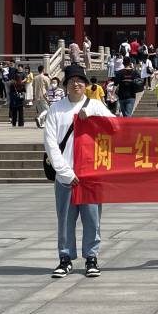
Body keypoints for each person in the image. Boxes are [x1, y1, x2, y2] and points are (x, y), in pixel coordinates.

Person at [45, 64, 114, 278]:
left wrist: (93, 116)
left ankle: (91, 258)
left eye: (80, 81)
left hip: (91, 175)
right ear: (66, 85)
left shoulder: (96, 105)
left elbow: (115, 126)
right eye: (72, 81)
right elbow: (50, 143)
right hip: (66, 176)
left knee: (92, 219)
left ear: (86, 84)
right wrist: (65, 172)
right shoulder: (56, 109)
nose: (76, 84)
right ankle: (65, 258)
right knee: (65, 219)